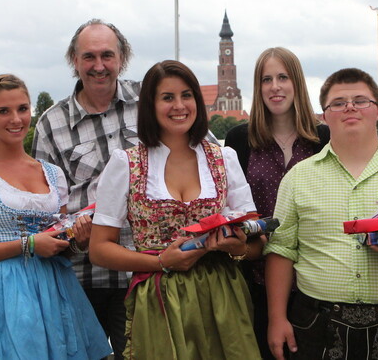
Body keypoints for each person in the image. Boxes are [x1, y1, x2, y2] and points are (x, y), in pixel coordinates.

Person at [265, 68, 378, 360]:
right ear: (324, 116)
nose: (349, 107)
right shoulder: (298, 178)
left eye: (361, 100)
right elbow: (281, 249)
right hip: (316, 322)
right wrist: (276, 318)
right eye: (338, 102)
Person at [89, 60, 262, 359]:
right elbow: (99, 249)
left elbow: (257, 242)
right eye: (167, 97)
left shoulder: (224, 159)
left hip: (221, 296)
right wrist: (161, 262)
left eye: (186, 95)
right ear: (151, 106)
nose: (179, 105)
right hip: (159, 297)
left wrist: (236, 247)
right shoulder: (126, 163)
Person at [0, 74, 112, 360]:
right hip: (6, 290)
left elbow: (60, 241)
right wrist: (28, 245)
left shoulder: (52, 173)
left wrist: (78, 240)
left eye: (22, 109)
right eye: (4, 111)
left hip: (57, 287)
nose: (16, 119)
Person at [32, 19, 139, 359]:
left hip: (141, 271)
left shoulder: (149, 102)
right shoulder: (51, 123)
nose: (98, 66)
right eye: (88, 57)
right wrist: (71, 236)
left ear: (122, 58)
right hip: (80, 278)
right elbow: (43, 211)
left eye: (107, 55)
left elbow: (198, 158)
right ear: (73, 62)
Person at [225, 47, 329, 359]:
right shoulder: (240, 139)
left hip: (313, 277)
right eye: (266, 79)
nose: (275, 86)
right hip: (254, 276)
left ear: (296, 82)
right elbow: (232, 204)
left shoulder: (322, 138)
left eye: (283, 77)